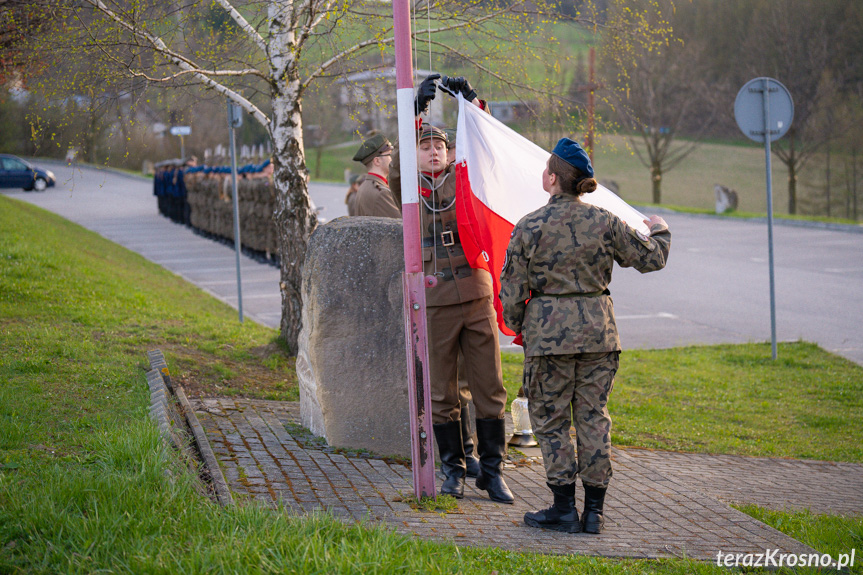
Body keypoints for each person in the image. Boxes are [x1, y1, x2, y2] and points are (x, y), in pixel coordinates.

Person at [499, 138, 671, 533]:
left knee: (551, 419)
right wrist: (659, 231)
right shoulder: (605, 221)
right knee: (594, 418)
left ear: (554, 178)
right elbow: (651, 258)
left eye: (546, 168)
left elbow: (510, 290)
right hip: (599, 333)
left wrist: (522, 325)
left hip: (548, 334)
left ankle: (562, 509)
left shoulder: (530, 225)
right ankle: (594, 512)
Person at [390, 74, 513, 504]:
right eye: (425, 146)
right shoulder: (410, 190)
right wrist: (414, 115)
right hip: (436, 299)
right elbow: (397, 167)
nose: (434, 151)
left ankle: (493, 472)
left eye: (440, 145)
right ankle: (454, 469)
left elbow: (486, 151)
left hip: (475, 293)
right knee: (443, 391)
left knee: (490, 385)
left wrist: (473, 102)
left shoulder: (465, 180)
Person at [353, 133, 399, 218]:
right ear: (377, 161)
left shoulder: (366, 185)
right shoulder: (381, 192)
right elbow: (403, 224)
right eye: (389, 154)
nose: (392, 158)